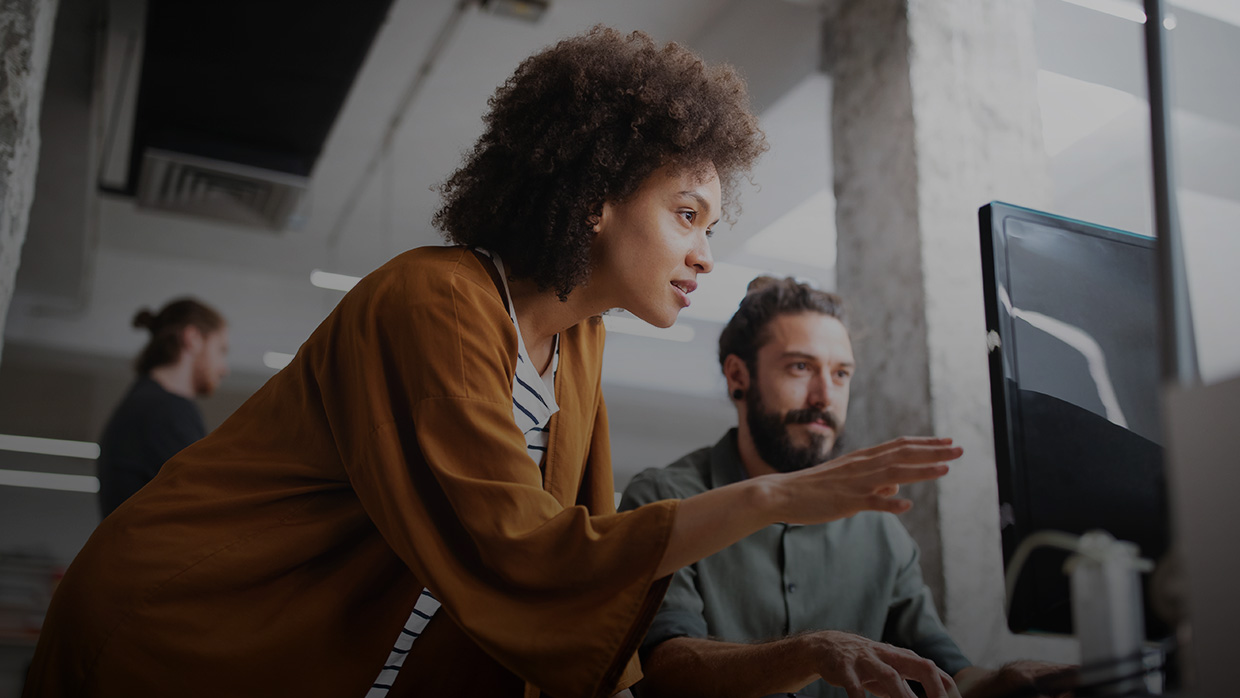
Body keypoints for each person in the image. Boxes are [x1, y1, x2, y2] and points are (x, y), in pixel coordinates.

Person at [23, 28, 962, 698]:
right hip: (184, 633)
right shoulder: (432, 301)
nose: (706, 254)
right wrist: (774, 498)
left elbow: (576, 561)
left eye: (712, 227)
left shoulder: (579, 345)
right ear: (595, 197)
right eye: (686, 215)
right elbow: (524, 551)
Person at [620, 277, 1070, 698]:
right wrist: (810, 651)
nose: (824, 396)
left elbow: (945, 668)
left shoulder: (880, 526)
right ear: (738, 376)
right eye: (800, 367)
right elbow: (662, 669)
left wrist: (1004, 681)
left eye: (840, 374)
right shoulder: (665, 499)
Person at [96, 298, 230, 518]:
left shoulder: (145, 403)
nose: (224, 369)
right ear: (193, 338)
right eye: (221, 350)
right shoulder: (165, 410)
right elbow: (206, 505)